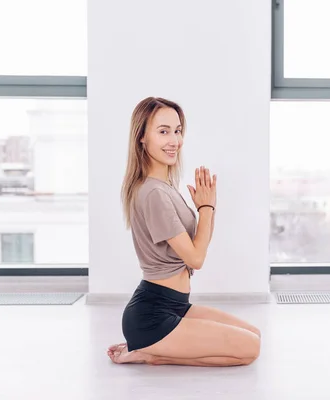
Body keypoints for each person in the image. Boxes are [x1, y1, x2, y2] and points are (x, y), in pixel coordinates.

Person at [106, 97, 261, 367]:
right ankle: (153, 354)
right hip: (152, 315)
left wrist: (207, 207)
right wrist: (206, 209)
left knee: (253, 335)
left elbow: (197, 248)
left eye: (177, 131)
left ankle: (152, 351)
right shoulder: (153, 192)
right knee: (251, 349)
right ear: (142, 137)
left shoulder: (164, 187)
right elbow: (196, 259)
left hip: (176, 305)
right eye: (163, 131)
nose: (174, 140)